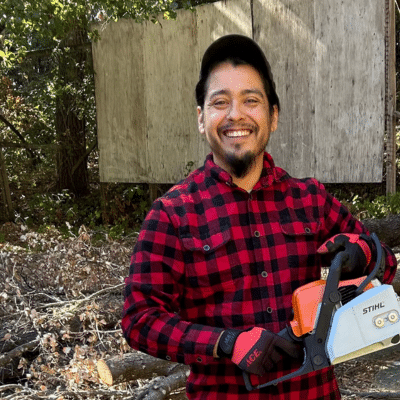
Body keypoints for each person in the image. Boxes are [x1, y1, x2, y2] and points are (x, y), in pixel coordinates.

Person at [121, 34, 397, 399]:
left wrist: (362, 254)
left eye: (251, 100)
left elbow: (385, 264)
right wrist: (225, 342)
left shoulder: (310, 199)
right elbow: (139, 319)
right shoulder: (173, 214)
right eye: (220, 102)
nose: (236, 114)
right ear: (202, 119)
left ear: (273, 115)